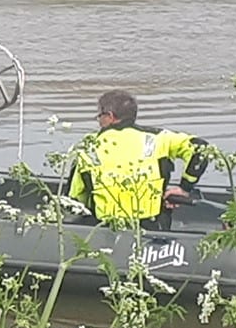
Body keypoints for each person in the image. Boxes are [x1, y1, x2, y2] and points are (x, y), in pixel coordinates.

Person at [67, 89, 210, 227]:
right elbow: (201, 149)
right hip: (153, 227)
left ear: (110, 116)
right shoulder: (159, 138)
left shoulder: (87, 145)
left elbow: (74, 199)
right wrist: (185, 187)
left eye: (100, 116)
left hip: (105, 228)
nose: (98, 121)